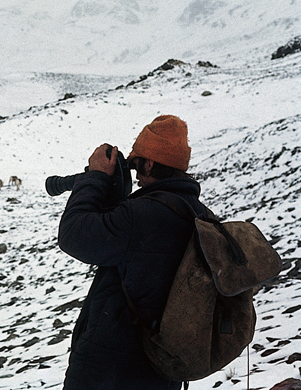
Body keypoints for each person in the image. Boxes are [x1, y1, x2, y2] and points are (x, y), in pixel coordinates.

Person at [58, 115, 205, 390]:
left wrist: (96, 178)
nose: (135, 173)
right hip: (162, 372)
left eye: (137, 163)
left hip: (109, 375)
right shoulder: (199, 216)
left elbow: (73, 235)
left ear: (150, 163)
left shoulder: (141, 216)